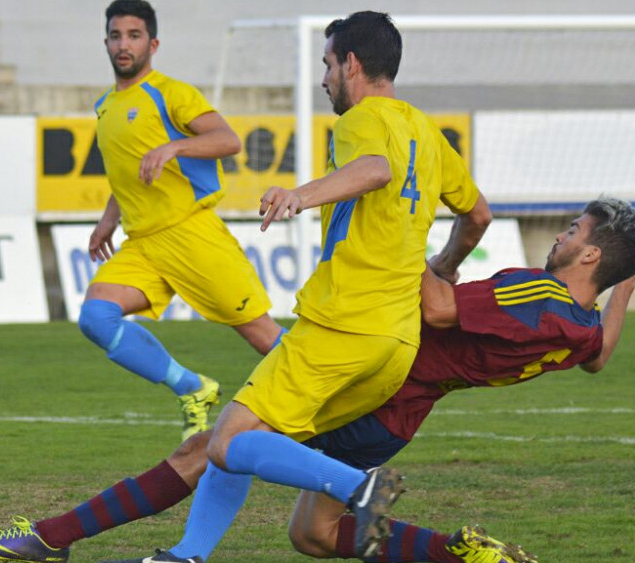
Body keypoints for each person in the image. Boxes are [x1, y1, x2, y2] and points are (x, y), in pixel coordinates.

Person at [0, 196, 635, 563]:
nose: (560, 234)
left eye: (572, 229)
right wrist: (624, 283)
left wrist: (398, 237)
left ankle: (54, 537)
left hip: (373, 380)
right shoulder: (582, 327)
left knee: (214, 445)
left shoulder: (538, 295)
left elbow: (437, 305)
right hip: (403, 411)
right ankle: (458, 550)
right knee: (315, 536)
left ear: (588, 251)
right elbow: (601, 354)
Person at [117, 11, 492, 561]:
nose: (324, 79)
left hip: (342, 326)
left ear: (353, 64)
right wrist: (443, 267)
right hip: (396, 342)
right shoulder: (427, 133)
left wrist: (301, 193)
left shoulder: (362, 119)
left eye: (328, 64)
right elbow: (478, 215)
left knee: (229, 440)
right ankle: (187, 554)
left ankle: (359, 490)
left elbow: (375, 169)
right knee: (242, 430)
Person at [75, 0, 286, 442]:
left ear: (152, 43)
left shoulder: (170, 92)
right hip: (144, 245)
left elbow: (227, 140)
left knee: (265, 337)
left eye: (133, 36)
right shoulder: (105, 106)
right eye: (115, 36)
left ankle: (342, 406)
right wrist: (107, 221)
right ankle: (194, 387)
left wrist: (175, 147)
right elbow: (128, 171)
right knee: (96, 316)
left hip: (192, 236)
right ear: (105, 42)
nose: (123, 45)